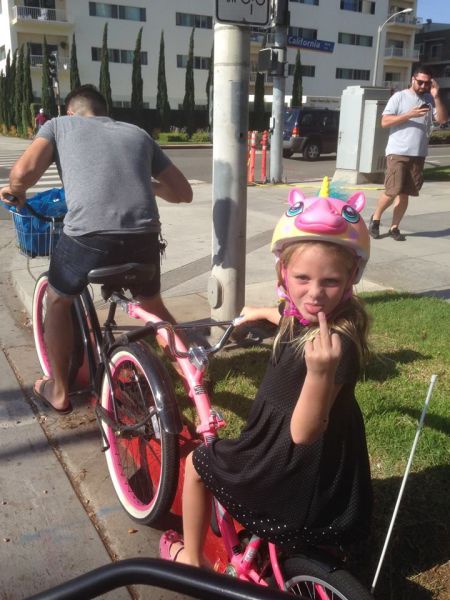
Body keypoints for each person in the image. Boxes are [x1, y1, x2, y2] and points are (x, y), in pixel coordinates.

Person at [159, 178, 373, 568]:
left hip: (287, 465)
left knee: (196, 463)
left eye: (330, 282)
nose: (314, 294)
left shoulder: (333, 348)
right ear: (283, 273)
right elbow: (290, 314)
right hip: (314, 466)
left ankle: (191, 559)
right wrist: (260, 312)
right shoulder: (311, 316)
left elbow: (304, 433)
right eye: (302, 279)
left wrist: (319, 373)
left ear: (350, 279)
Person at [1, 84, 192, 414]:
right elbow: (182, 193)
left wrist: (15, 191)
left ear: (70, 112)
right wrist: (147, 184)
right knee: (153, 306)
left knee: (57, 299)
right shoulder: (137, 133)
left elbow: (22, 173)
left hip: (89, 238)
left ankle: (59, 391)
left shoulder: (58, 125)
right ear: (106, 113)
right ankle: (192, 378)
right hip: (144, 237)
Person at [369, 65, 448, 241]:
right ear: (413, 79)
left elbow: (442, 119)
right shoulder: (399, 97)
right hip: (398, 152)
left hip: (418, 154)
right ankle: (376, 219)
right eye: (420, 82)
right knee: (392, 190)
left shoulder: (430, 99)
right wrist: (409, 115)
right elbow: (384, 122)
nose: (423, 86)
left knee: (405, 193)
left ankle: (394, 227)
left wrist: (437, 96)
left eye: (427, 83)